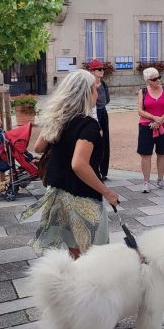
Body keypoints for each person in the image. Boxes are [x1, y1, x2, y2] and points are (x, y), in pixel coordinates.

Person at [33, 70, 120, 259]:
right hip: (81, 196)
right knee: (92, 251)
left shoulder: (58, 119)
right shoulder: (88, 125)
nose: (97, 94)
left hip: (57, 193)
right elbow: (79, 164)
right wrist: (107, 192)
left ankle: (73, 283)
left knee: (73, 248)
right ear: (87, 93)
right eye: (95, 90)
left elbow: (38, 147)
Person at [137, 67, 164, 193]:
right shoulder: (143, 91)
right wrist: (153, 118)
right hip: (146, 126)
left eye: (159, 77)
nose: (158, 80)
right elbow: (140, 110)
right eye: (154, 79)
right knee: (146, 154)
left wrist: (160, 120)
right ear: (148, 81)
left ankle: (160, 180)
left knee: (161, 153)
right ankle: (146, 182)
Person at [88, 59, 111, 180]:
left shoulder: (104, 85)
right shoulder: (89, 86)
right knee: (93, 141)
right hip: (92, 113)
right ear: (92, 71)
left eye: (102, 69)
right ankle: (92, 169)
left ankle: (103, 171)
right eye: (99, 69)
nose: (102, 71)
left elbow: (107, 100)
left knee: (105, 141)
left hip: (102, 112)